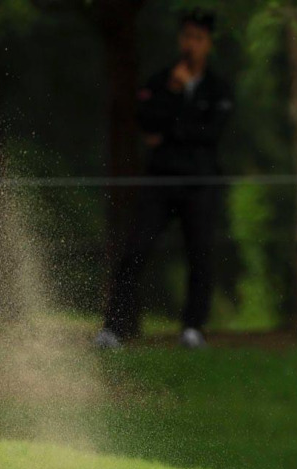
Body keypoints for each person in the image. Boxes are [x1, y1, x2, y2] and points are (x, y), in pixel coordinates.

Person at [95, 9, 233, 350]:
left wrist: (173, 127)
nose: (191, 45)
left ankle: (192, 328)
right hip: (160, 182)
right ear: (179, 39)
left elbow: (210, 134)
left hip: (199, 183)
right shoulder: (160, 82)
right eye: (186, 37)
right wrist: (174, 94)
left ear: (208, 44)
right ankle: (114, 327)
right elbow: (146, 123)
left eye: (198, 38)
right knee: (136, 250)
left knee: (200, 255)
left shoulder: (218, 88)